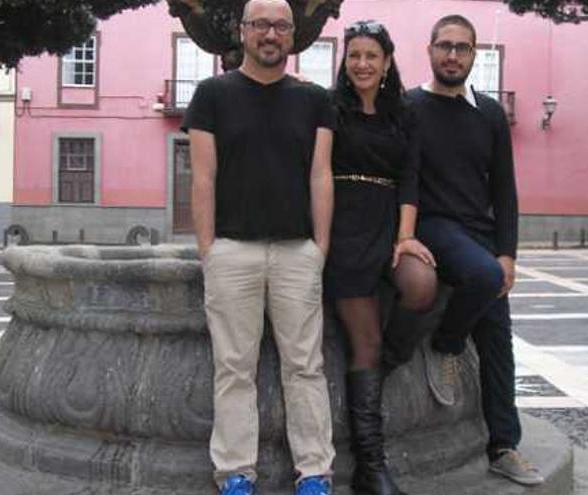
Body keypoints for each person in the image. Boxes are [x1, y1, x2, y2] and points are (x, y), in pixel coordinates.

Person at [383, 14, 544, 487]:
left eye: (463, 48)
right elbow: (405, 178)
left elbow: (505, 190)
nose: (453, 55)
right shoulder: (409, 107)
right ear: (430, 50)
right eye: (445, 46)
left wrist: (508, 252)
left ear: (475, 55)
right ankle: (447, 343)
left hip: (481, 233)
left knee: (498, 337)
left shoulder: (490, 114)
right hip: (434, 226)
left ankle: (503, 445)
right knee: (484, 278)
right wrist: (404, 235)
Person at [182, 0, 336, 493]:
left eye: (281, 26)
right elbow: (203, 177)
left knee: (305, 367)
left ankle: (315, 472)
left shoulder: (314, 100)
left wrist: (320, 248)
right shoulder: (212, 95)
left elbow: (320, 174)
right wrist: (209, 249)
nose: (271, 34)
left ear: (292, 36)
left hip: (296, 252)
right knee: (233, 368)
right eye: (261, 24)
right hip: (232, 251)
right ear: (244, 31)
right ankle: (234, 474)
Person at [326, 20, 438, 495]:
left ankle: (389, 361)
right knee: (362, 344)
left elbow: (410, 177)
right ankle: (370, 468)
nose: (363, 64)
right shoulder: (331, 109)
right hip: (344, 226)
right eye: (354, 55)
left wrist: (406, 237)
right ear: (345, 61)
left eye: (372, 55)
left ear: (387, 61)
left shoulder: (404, 113)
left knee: (422, 285)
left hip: (390, 222)